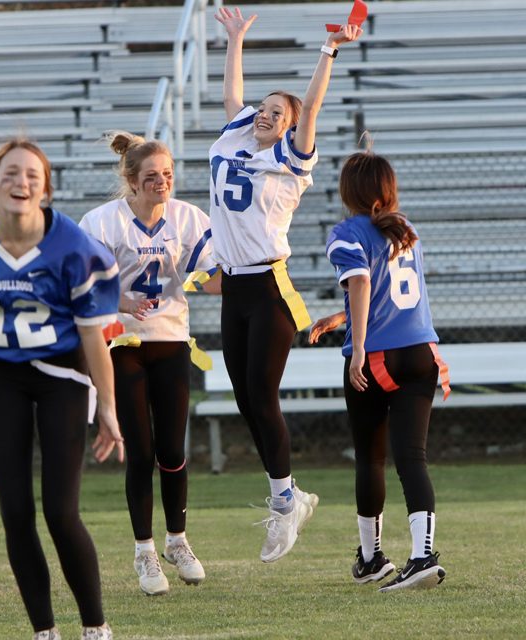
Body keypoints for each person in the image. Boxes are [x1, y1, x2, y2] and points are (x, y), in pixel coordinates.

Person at [0, 139, 124, 640]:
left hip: (62, 375)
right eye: (11, 173)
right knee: (15, 512)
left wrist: (108, 407)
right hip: (1, 378)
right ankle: (44, 631)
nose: (22, 182)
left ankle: (96, 628)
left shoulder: (76, 248)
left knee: (60, 511)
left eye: (32, 174)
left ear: (46, 186)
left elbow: (92, 338)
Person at [210, 5, 361, 563]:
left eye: (278, 111)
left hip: (269, 288)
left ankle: (283, 502)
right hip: (233, 289)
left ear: (291, 124)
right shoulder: (234, 133)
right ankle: (290, 496)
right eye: (265, 107)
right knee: (246, 399)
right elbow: (232, 94)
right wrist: (235, 39)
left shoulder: (290, 156)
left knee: (262, 394)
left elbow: (312, 103)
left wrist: (328, 50)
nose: (266, 115)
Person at [79, 131, 217, 596]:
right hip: (122, 343)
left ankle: (178, 541)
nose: (162, 183)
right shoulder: (103, 222)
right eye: (152, 176)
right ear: (132, 182)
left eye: (168, 175)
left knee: (172, 451)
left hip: (172, 340)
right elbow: (79, 284)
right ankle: (144, 551)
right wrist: (118, 299)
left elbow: (212, 277)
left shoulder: (187, 218)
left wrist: (252, 275)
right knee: (139, 450)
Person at [309, 150, 448, 592]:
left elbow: (364, 284)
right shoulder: (406, 230)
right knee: (413, 456)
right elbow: (393, 294)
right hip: (421, 351)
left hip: (379, 356)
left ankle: (372, 557)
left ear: (349, 192)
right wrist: (342, 317)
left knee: (371, 456)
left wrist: (358, 348)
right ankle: (423, 554)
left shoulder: (346, 232)